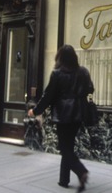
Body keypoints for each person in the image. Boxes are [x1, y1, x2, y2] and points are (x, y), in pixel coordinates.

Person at [29, 44, 94, 192]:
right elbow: (90, 89)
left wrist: (35, 110)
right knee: (68, 146)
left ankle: (81, 171)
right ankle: (64, 180)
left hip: (63, 115)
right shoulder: (83, 72)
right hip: (78, 114)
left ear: (60, 57)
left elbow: (48, 96)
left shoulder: (57, 74)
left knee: (65, 149)